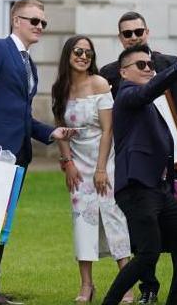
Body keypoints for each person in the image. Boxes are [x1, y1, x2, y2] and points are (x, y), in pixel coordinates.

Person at [99, 12, 177, 305]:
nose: (148, 68)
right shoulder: (127, 95)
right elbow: (150, 90)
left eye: (151, 64)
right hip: (136, 189)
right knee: (148, 252)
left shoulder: (147, 103)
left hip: (158, 187)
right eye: (141, 65)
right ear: (123, 72)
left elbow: (168, 137)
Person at [0, 0, 78, 305]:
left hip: (18, 154)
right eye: (34, 21)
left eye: (43, 22)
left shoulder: (27, 62)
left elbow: (21, 115)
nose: (40, 27)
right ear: (17, 21)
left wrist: (50, 133)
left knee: (1, 223)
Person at [50, 35, 136, 304]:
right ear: (68, 54)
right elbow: (60, 131)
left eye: (88, 53)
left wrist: (101, 169)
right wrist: (68, 164)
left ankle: (126, 285)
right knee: (82, 220)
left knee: (114, 217)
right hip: (76, 164)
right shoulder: (59, 89)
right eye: (78, 51)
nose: (83, 56)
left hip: (103, 160)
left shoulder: (99, 83)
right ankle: (86, 285)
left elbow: (109, 129)